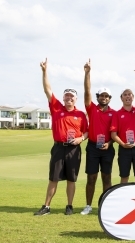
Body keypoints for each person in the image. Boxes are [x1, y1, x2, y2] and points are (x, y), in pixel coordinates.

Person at [34, 58, 88, 216]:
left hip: (74, 149)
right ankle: (47, 206)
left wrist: (81, 139)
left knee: (72, 179)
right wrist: (44, 72)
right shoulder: (57, 108)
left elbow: (87, 132)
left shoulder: (81, 114)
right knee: (53, 178)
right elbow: (48, 90)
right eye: (67, 96)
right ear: (63, 98)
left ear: (76, 99)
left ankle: (69, 206)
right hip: (58, 147)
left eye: (72, 97)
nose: (69, 98)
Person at [80, 59, 115, 215]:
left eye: (107, 96)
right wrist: (87, 73)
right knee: (91, 178)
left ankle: (105, 205)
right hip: (93, 147)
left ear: (109, 98)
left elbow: (116, 133)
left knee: (106, 178)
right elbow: (87, 92)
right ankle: (88, 205)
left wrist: (109, 143)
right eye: (101, 95)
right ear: (98, 97)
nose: (104, 98)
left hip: (108, 148)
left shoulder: (114, 113)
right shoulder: (92, 108)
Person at [110, 68, 135, 183]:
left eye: (129, 94)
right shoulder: (117, 114)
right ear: (121, 98)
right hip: (124, 149)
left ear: (133, 97)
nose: (127, 96)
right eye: (125, 95)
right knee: (124, 177)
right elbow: (113, 134)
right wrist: (123, 144)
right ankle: (123, 201)